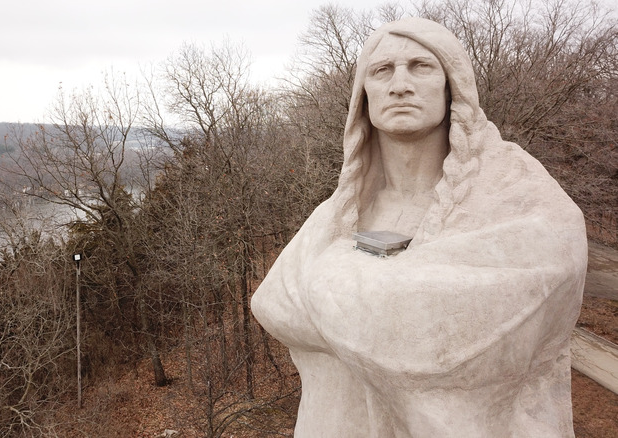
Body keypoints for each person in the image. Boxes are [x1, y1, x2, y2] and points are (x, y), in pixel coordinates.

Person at [251, 17, 587, 437]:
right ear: (364, 96)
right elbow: (271, 303)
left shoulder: (516, 192)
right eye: (383, 70)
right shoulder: (343, 208)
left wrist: (322, 278)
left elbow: (428, 341)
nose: (400, 85)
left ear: (452, 84)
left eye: (420, 67)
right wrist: (378, 300)